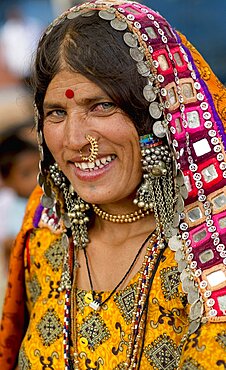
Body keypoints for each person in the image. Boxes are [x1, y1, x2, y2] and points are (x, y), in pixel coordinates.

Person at [0, 1, 226, 369]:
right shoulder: (44, 228)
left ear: (160, 115)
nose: (75, 140)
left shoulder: (212, 252)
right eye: (57, 112)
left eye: (101, 106)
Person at [0, 132, 39, 316]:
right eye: (26, 174)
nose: (36, 178)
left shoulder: (48, 197)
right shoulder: (6, 207)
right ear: (6, 181)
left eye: (39, 168)